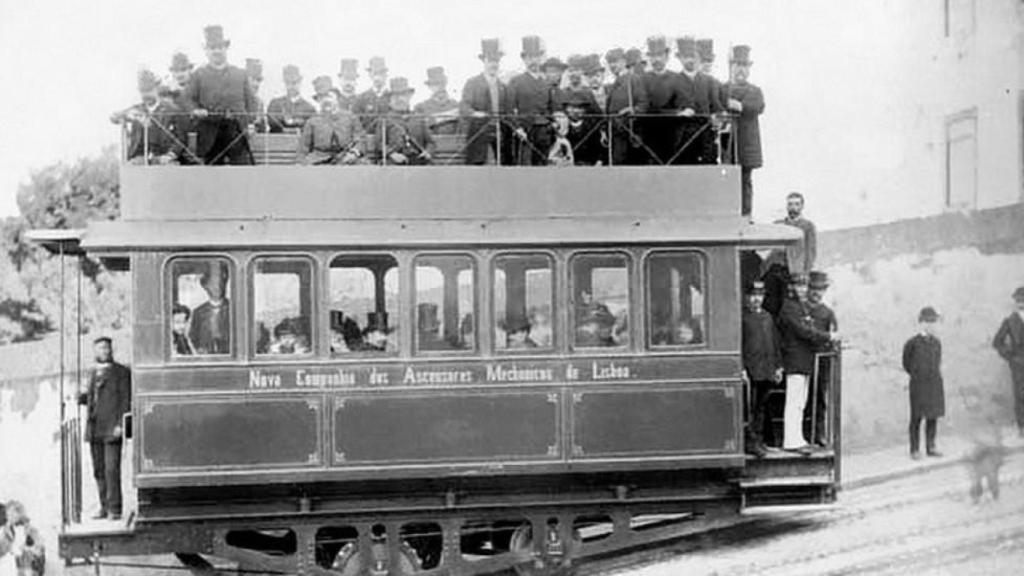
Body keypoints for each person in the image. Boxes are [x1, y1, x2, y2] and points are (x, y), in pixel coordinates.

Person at [777, 274, 840, 453]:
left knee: (800, 402)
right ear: (791, 287)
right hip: (795, 360)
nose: (802, 290)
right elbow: (803, 331)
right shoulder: (790, 308)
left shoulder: (801, 307)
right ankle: (791, 441)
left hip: (804, 360)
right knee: (794, 401)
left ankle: (798, 439)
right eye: (798, 286)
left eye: (804, 286)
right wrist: (828, 336)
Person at [184, 25, 256, 165]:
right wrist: (195, 110)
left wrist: (251, 123)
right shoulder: (198, 75)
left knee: (243, 173)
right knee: (212, 176)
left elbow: (251, 102)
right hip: (209, 132)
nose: (216, 51)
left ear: (225, 48)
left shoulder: (240, 74)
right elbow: (187, 99)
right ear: (206, 50)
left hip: (237, 131)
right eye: (212, 48)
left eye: (219, 47)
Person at [77, 337, 131, 520]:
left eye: (107, 348)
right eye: (100, 348)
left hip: (112, 429)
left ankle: (115, 509)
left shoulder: (122, 372)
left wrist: (121, 425)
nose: (104, 351)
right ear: (95, 351)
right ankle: (104, 506)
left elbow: (125, 401)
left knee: (111, 469)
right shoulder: (91, 372)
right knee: (98, 470)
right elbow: (90, 399)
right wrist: (81, 396)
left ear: (111, 349)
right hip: (94, 429)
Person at [720, 45, 764, 216]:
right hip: (726, 142)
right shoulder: (723, 89)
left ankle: (746, 215)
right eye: (737, 65)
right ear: (732, 67)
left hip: (746, 144)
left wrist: (739, 105)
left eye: (744, 66)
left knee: (745, 179)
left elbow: (758, 107)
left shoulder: (755, 91)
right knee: (726, 178)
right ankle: (728, 214)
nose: (741, 70)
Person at [111, 69, 189, 165]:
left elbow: (181, 138)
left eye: (149, 90)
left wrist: (170, 155)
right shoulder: (137, 109)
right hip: (140, 158)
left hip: (164, 158)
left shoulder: (172, 110)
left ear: (157, 89)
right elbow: (113, 117)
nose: (146, 95)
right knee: (131, 168)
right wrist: (129, 116)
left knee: (170, 169)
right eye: (143, 91)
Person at [742, 281, 784, 456]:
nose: (756, 299)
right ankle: (751, 442)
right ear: (746, 297)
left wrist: (778, 367)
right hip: (752, 371)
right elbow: (739, 345)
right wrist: (742, 368)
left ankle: (759, 440)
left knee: (761, 407)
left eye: (759, 295)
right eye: (752, 295)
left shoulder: (767, 317)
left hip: (767, 370)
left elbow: (775, 344)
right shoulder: (742, 318)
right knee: (750, 408)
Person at [460, 38, 511, 165]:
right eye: (490, 61)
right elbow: (464, 107)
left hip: (499, 132)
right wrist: (475, 114)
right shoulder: (473, 83)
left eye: (496, 61)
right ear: (484, 61)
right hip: (479, 132)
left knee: (502, 164)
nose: (494, 64)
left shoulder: (503, 86)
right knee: (477, 164)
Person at [903, 306, 945, 459]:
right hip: (918, 385)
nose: (931, 325)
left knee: (932, 416)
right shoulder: (912, 343)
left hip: (934, 383)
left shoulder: (936, 343)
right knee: (916, 417)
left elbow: (937, 361)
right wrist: (917, 375)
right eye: (927, 321)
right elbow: (906, 363)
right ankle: (914, 449)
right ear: (921, 322)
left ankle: (931, 446)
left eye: (933, 321)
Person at [674, 36, 721, 165]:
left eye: (693, 56)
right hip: (682, 141)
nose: (691, 60)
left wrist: (718, 118)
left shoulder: (709, 82)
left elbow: (717, 107)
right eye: (686, 56)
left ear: (698, 57)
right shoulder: (673, 81)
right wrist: (679, 113)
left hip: (705, 139)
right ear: (680, 58)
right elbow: (663, 107)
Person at [509, 35, 555, 166]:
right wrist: (517, 128)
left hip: (544, 132)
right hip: (526, 132)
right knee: (526, 167)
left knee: (542, 166)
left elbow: (551, 109)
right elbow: (509, 109)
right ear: (524, 59)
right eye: (529, 57)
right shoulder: (516, 82)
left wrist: (554, 123)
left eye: (536, 57)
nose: (533, 61)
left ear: (540, 58)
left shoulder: (546, 83)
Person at [804, 270, 838, 446]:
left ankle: (819, 433)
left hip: (821, 361)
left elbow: (834, 335)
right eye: (813, 288)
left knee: (819, 397)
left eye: (821, 289)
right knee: (802, 398)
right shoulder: (801, 309)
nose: (816, 293)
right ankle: (803, 434)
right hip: (803, 358)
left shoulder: (828, 313)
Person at [641, 35, 684, 165]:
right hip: (649, 134)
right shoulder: (643, 79)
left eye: (659, 55)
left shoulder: (677, 78)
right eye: (653, 56)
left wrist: (680, 112)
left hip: (672, 135)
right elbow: (645, 106)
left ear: (666, 56)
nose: (656, 59)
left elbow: (682, 103)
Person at [297, 91, 367, 165]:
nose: (326, 101)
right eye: (322, 98)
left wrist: (354, 153)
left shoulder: (351, 118)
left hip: (346, 157)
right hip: (319, 158)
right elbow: (304, 146)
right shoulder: (312, 121)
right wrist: (300, 162)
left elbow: (360, 139)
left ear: (337, 101)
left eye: (330, 97)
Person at [604, 47, 648, 165]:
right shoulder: (613, 84)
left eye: (615, 61)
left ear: (624, 62)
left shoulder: (634, 79)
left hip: (630, 132)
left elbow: (643, 104)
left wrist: (633, 110)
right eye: (610, 63)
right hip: (614, 133)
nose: (612, 65)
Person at [992, 285, 1024, 438]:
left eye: (1023, 299)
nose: (1021, 303)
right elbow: (997, 342)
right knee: (1020, 395)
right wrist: (1011, 357)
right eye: (1018, 300)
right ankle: (1022, 426)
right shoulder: (1010, 321)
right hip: (1019, 364)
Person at [382, 77, 435, 165]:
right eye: (396, 96)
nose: (399, 99)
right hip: (394, 163)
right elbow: (379, 143)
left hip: (418, 161)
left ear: (409, 96)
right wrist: (391, 154)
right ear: (390, 99)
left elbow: (431, 142)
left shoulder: (418, 118)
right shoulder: (385, 119)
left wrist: (428, 152)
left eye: (403, 95)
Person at [768, 192, 817, 276]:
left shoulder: (808, 226)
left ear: (802, 206)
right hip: (775, 268)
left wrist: (806, 273)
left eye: (797, 204)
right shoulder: (778, 224)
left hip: (795, 270)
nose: (793, 207)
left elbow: (810, 252)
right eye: (790, 204)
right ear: (787, 206)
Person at [189, 262, 231, 354]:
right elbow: (193, 338)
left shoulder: (234, 309)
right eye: (213, 283)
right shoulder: (198, 313)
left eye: (221, 282)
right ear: (205, 286)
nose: (218, 286)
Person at [696, 38, 724, 163]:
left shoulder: (717, 84)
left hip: (709, 134)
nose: (706, 64)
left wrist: (719, 119)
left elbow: (721, 108)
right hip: (690, 134)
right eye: (703, 60)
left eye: (709, 61)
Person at [266, 65, 317, 133]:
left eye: (294, 83)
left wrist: (289, 122)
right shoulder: (275, 104)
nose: (291, 87)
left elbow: (311, 128)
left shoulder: (309, 108)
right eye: (288, 83)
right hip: (278, 140)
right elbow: (272, 122)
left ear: (300, 81)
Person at [414, 66, 461, 135]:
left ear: (445, 84)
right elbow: (418, 128)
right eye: (435, 84)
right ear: (429, 86)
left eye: (441, 83)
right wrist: (449, 115)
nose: (439, 87)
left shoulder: (456, 105)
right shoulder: (421, 107)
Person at [1, 501, 44, 576]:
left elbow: (38, 547)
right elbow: (4, 548)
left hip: (25, 565)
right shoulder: (7, 531)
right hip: (12, 565)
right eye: (8, 515)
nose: (9, 517)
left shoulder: (28, 530)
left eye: (12, 515)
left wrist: (29, 549)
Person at [353, 56, 390, 138]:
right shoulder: (361, 99)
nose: (377, 77)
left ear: (386, 75)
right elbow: (356, 123)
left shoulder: (392, 97)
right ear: (370, 75)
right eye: (375, 73)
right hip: (368, 142)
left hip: (389, 142)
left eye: (381, 73)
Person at [245, 58, 268, 133]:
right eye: (253, 79)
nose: (256, 84)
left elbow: (263, 131)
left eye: (258, 80)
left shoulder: (259, 103)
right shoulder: (236, 100)